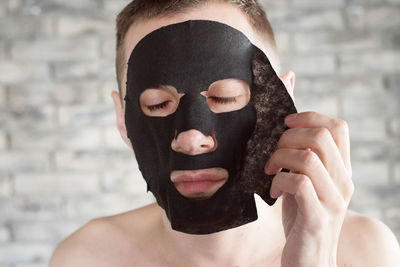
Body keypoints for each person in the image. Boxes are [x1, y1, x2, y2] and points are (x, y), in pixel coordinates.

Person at [50, 0, 400, 266]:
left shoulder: (366, 251)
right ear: (121, 117)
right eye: (157, 104)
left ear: (282, 102)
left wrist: (315, 253)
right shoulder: (86, 257)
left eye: (224, 98)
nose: (190, 138)